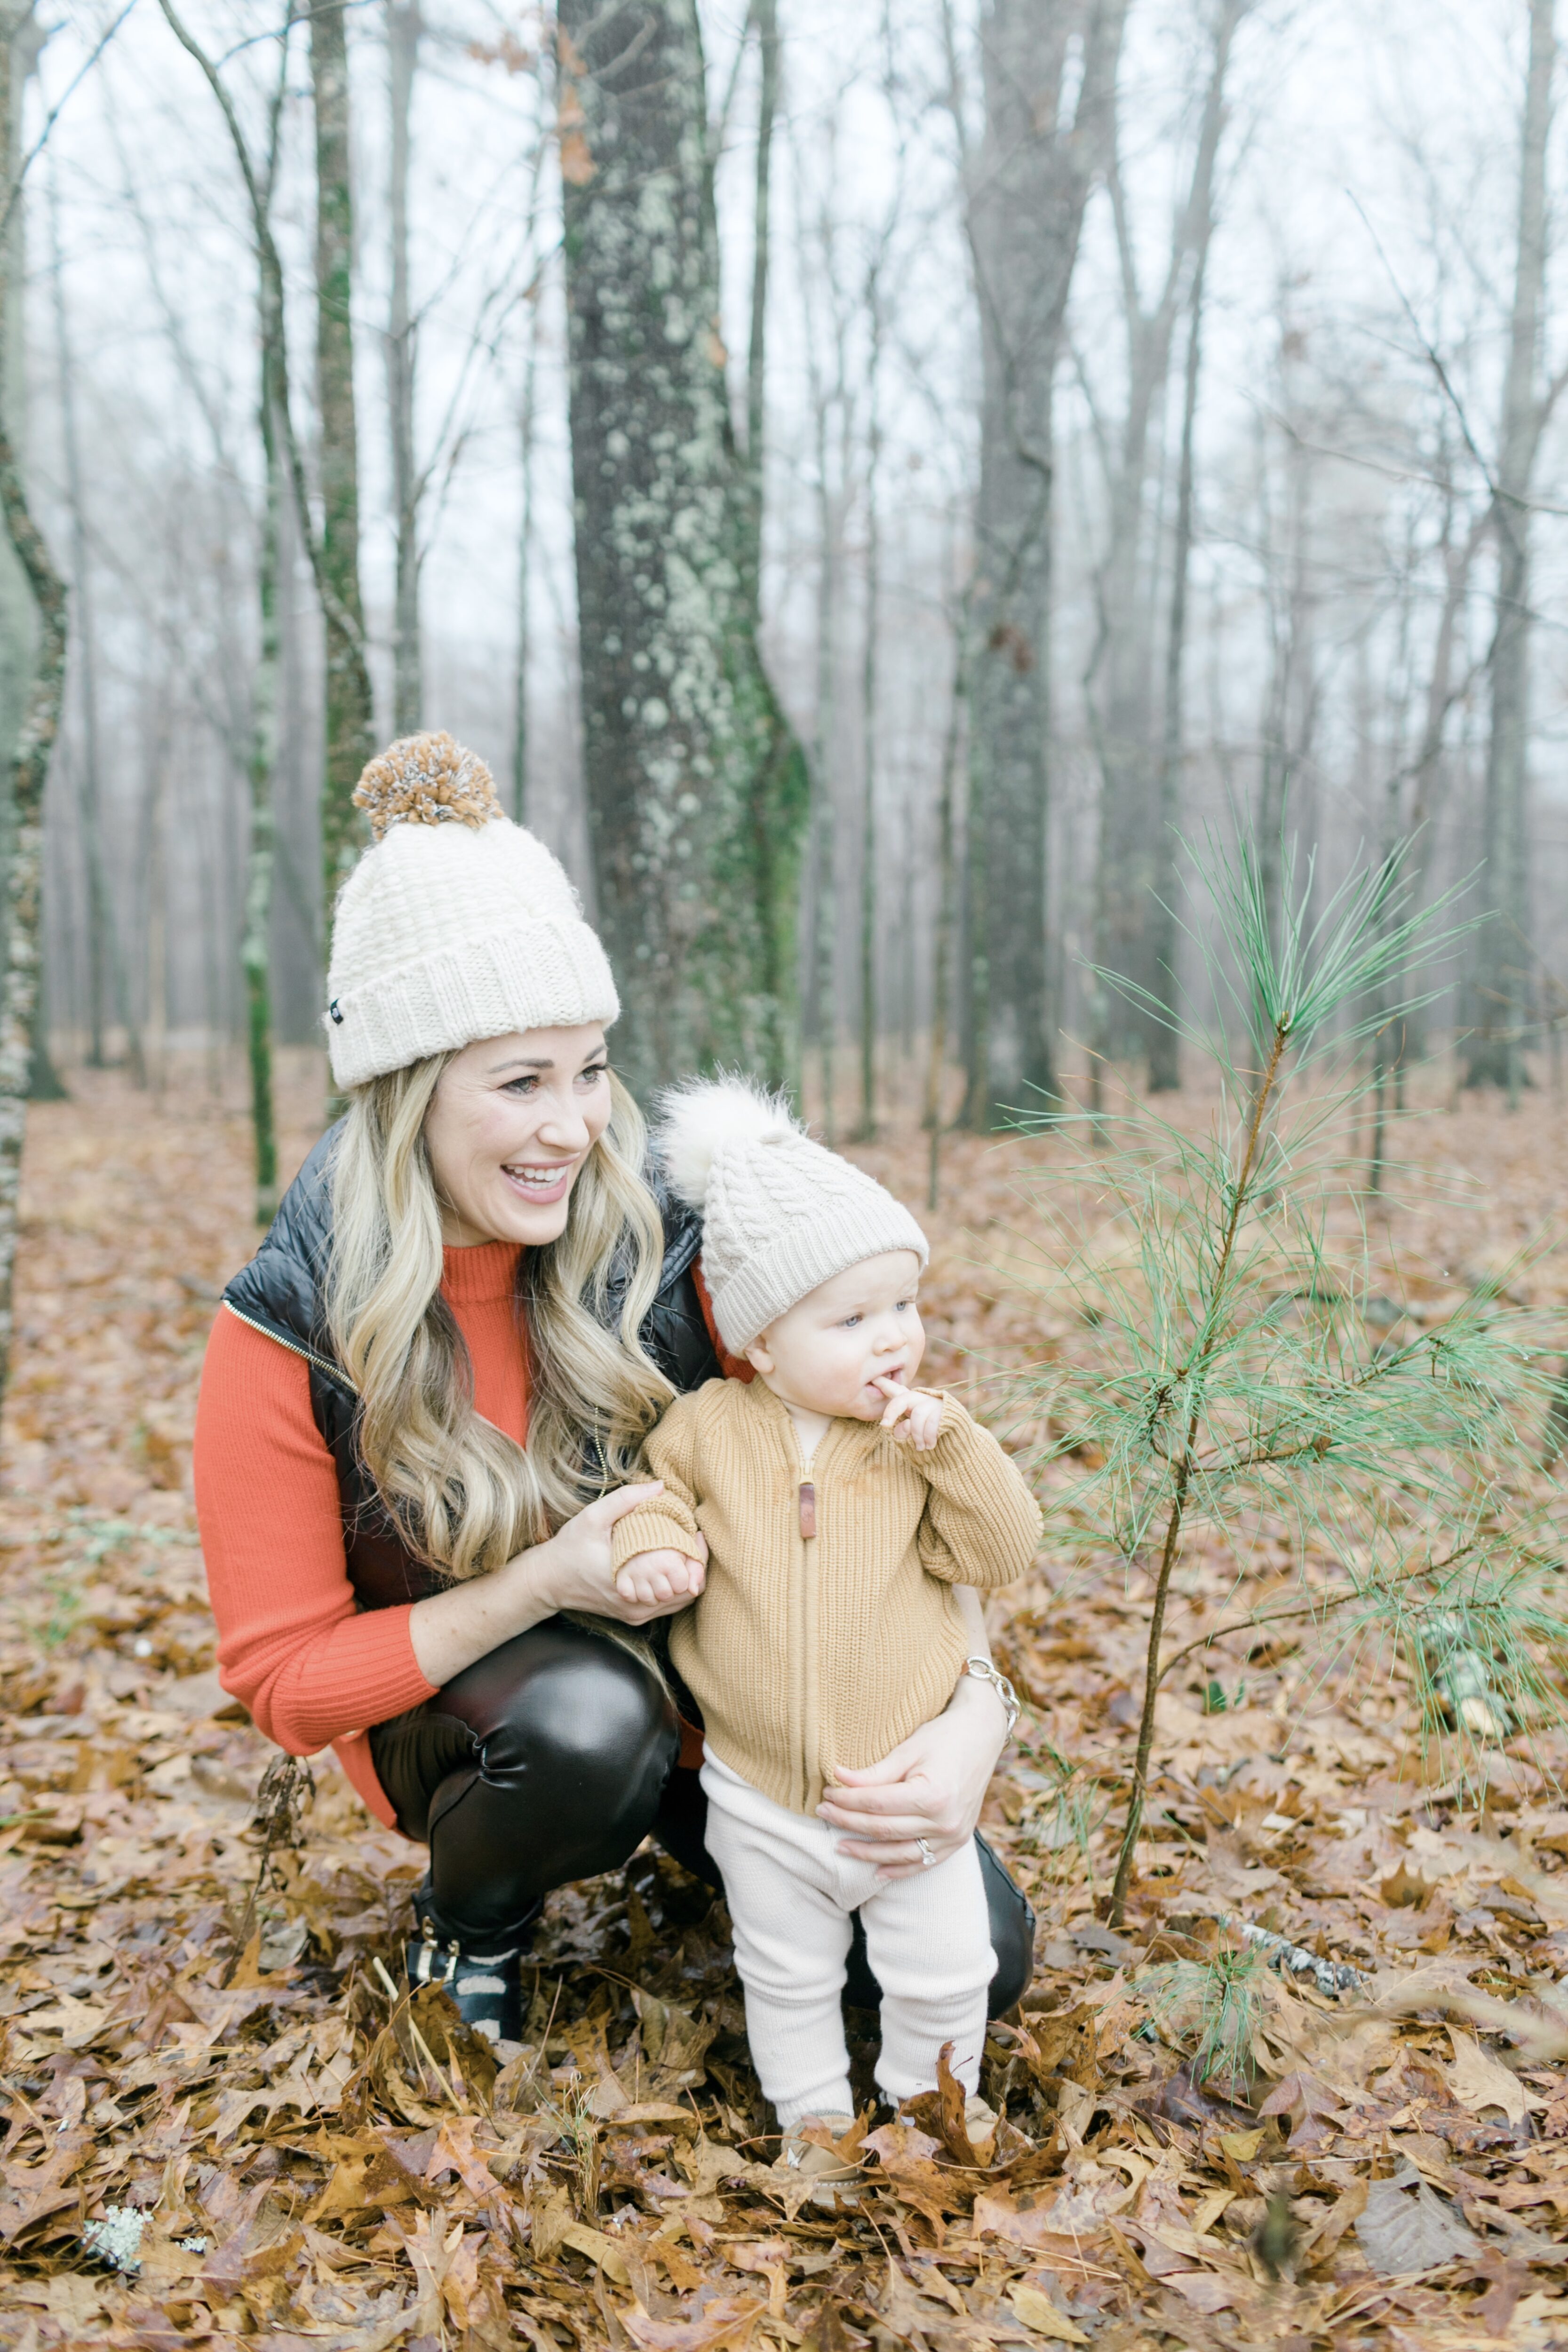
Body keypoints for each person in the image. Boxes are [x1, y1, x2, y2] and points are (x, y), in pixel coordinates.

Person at [193, 729, 1034, 2051]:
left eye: (588, 1069)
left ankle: (737, 1849)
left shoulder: (682, 1242)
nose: (574, 1127)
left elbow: (899, 1479)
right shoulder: (289, 1330)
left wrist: (973, 1719)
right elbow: (285, 1683)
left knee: (976, 1963)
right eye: (518, 1082)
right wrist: (545, 1583)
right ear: (404, 1099)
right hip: (486, 1729)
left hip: (742, 1704)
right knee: (586, 1721)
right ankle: (471, 1922)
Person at [609, 1081, 1040, 2175]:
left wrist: (952, 1448)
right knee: (784, 1968)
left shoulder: (919, 1439)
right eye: (849, 1320)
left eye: (902, 1305)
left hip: (899, 1784)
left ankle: (924, 2110)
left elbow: (999, 1552)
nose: (890, 1339)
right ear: (755, 1341)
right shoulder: (706, 1430)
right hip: (756, 1791)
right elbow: (653, 1494)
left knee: (944, 1967)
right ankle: (807, 2117)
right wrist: (649, 1544)